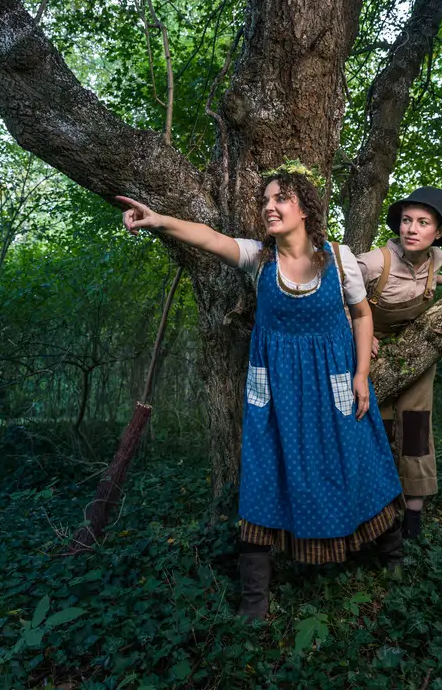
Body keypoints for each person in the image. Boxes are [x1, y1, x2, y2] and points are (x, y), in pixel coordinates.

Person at [114, 162, 405, 621]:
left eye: (280, 199)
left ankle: (393, 557)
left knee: (359, 458)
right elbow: (208, 237)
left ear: (305, 208)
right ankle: (255, 600)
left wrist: (362, 373)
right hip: (276, 390)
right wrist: (160, 220)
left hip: (334, 385)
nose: (269, 207)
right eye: (265, 200)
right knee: (265, 473)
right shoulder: (259, 258)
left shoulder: (341, 259)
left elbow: (363, 315)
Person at [354, 187, 442, 540]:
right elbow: (329, 294)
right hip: (373, 355)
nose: (412, 229)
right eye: (406, 220)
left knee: (415, 429)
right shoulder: (373, 262)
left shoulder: (437, 260)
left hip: (417, 354)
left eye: (423, 222)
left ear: (439, 232)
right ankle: (380, 519)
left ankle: (413, 522)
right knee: (380, 430)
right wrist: (361, 335)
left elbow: (426, 282)